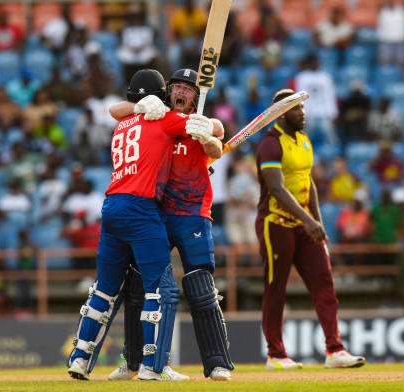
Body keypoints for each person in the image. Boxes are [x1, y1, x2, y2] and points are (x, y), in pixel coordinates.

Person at [67, 69, 214, 381]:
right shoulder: (162, 119)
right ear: (161, 97)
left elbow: (115, 109)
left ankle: (79, 359)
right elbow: (199, 124)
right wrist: (212, 128)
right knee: (160, 290)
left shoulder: (122, 124)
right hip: (141, 208)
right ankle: (154, 367)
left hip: (111, 207)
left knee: (104, 289)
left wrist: (136, 107)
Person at [106, 69, 233, 381]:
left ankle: (217, 363)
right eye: (176, 87)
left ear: (195, 97)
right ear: (167, 92)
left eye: (188, 90)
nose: (181, 93)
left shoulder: (198, 122)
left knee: (201, 288)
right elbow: (115, 111)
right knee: (139, 287)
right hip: (156, 212)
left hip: (192, 212)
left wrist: (209, 134)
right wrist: (139, 106)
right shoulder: (155, 116)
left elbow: (217, 145)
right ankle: (134, 361)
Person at [255, 88, 365, 370]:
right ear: (280, 113)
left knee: (325, 284)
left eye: (302, 108)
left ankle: (335, 350)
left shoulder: (304, 141)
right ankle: (275, 355)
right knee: (275, 288)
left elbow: (308, 182)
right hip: (275, 224)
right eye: (296, 109)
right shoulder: (270, 143)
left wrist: (318, 222)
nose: (302, 113)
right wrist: (309, 220)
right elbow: (277, 189)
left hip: (304, 226)